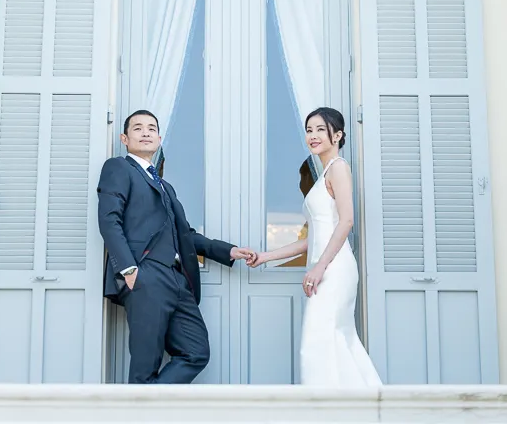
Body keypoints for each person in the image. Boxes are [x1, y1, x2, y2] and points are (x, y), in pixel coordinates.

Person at [97, 109, 255, 384]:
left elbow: (184, 235)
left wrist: (227, 250)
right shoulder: (118, 167)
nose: (145, 132)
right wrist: (130, 270)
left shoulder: (165, 186)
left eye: (151, 128)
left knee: (195, 353)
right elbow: (109, 220)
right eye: (137, 128)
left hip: (178, 280)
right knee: (145, 367)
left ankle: (146, 408)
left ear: (159, 139)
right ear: (124, 137)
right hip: (145, 275)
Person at [247, 107, 381, 387]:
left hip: (335, 268)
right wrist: (265, 256)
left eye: (321, 129)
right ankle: (359, 406)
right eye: (309, 130)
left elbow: (346, 222)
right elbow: (313, 238)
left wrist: (320, 266)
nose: (313, 135)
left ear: (338, 135)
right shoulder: (324, 175)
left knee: (319, 340)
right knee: (334, 339)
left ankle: (328, 409)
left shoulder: (339, 168)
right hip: (324, 265)